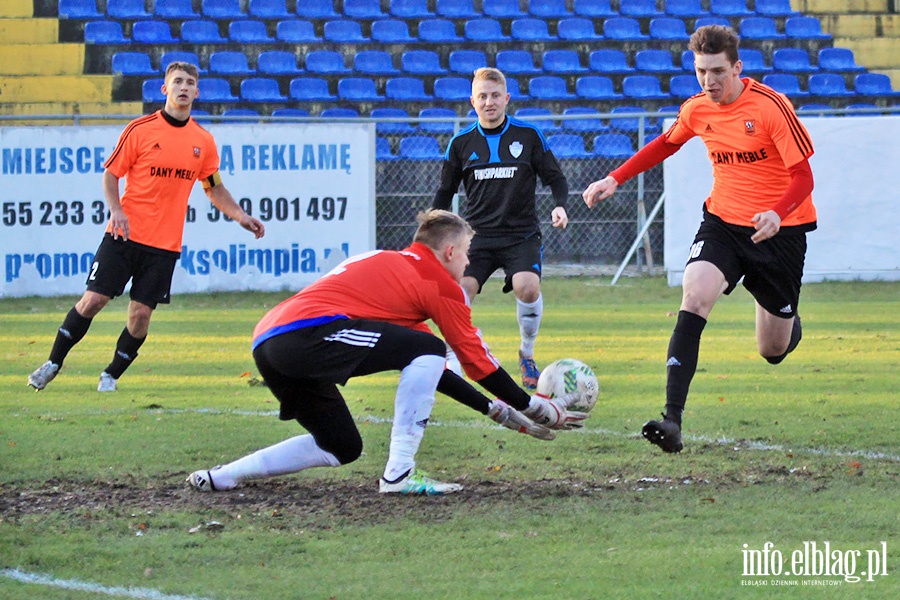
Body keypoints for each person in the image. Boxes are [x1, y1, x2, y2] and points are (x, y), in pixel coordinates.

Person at [187, 210, 587, 496]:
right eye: (467, 252)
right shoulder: (436, 282)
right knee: (429, 346)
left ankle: (224, 475)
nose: (468, 261)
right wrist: (532, 405)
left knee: (340, 446)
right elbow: (473, 360)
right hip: (307, 335)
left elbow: (429, 368)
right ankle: (399, 474)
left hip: (269, 341)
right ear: (449, 252)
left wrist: (498, 412)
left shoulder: (388, 264)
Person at [582, 25, 816, 453]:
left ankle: (788, 320)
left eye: (718, 71)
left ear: (737, 68)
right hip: (724, 223)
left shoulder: (771, 108)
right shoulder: (696, 109)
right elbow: (664, 145)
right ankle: (672, 420)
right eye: (701, 71)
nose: (709, 81)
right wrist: (615, 178)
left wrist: (777, 214)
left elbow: (804, 177)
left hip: (779, 231)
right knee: (695, 294)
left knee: (773, 349)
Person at [27, 62, 265, 393]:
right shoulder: (140, 130)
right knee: (93, 300)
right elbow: (111, 174)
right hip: (124, 235)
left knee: (140, 317)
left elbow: (213, 186)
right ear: (165, 90)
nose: (183, 87)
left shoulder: (203, 142)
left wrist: (240, 215)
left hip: (164, 245)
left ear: (197, 92)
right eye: (177, 81)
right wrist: (117, 211)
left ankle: (110, 375)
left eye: (190, 82)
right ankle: (53, 363)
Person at [433, 67, 570, 390]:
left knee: (527, 287)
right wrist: (434, 227)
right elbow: (444, 191)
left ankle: (526, 352)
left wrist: (560, 205)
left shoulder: (529, 136)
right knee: (459, 293)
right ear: (472, 101)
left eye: (495, 96)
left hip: (520, 235)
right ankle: (454, 357)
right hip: (476, 238)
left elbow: (556, 178)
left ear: (506, 98)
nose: (489, 102)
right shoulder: (460, 143)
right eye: (482, 96)